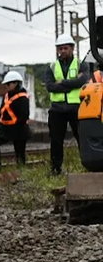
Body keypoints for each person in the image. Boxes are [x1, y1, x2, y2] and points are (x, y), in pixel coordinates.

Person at [45, 34, 88, 175]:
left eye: (65, 48)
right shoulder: (51, 67)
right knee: (56, 141)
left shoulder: (81, 64)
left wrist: (62, 83)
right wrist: (72, 83)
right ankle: (55, 168)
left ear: (72, 48)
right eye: (60, 48)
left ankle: (88, 164)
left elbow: (82, 81)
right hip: (57, 109)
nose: (62, 51)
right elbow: (50, 86)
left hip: (76, 107)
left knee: (82, 137)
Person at [0, 70, 30, 166]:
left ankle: (22, 173)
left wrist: (17, 128)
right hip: (6, 129)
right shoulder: (6, 96)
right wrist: (0, 125)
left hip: (20, 129)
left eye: (8, 84)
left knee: (20, 154)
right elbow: (2, 111)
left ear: (16, 83)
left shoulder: (23, 97)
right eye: (5, 84)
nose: (6, 86)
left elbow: (24, 115)